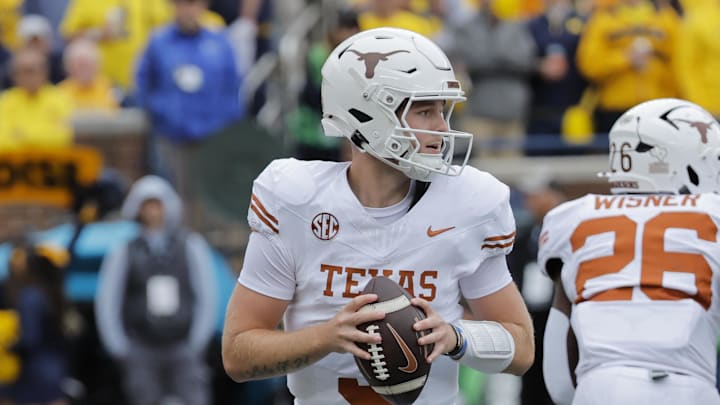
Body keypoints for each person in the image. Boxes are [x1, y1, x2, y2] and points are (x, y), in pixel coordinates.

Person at [221, 27, 535, 404]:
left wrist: (456, 338)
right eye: (425, 111)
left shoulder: (469, 203)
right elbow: (237, 353)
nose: (442, 128)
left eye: (442, 110)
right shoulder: (296, 200)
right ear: (368, 113)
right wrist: (327, 337)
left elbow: (521, 347)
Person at [537, 98, 720, 405]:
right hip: (687, 389)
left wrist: (572, 397)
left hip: (601, 387)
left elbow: (559, 350)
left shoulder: (572, 216)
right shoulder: (712, 212)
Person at [95, 175, 217, 405]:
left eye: (157, 204)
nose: (153, 212)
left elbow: (205, 295)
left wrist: (197, 341)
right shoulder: (124, 250)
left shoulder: (190, 245)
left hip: (182, 343)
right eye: (147, 205)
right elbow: (109, 298)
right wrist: (118, 345)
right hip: (141, 346)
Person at [1, 243, 71, 405]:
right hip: (55, 365)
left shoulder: (30, 296)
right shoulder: (54, 292)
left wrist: (11, 347)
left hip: (35, 370)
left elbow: (30, 337)